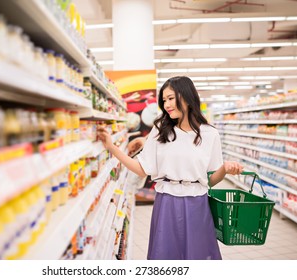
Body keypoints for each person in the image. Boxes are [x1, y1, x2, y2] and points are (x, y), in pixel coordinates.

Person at [97, 76, 244, 260]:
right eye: (164, 100)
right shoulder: (160, 130)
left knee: (199, 256)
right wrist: (112, 148)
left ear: (187, 96)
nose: (166, 104)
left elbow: (211, 180)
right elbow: (142, 169)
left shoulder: (210, 134)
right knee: (165, 256)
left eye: (171, 98)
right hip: (167, 202)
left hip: (198, 204)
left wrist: (224, 169)